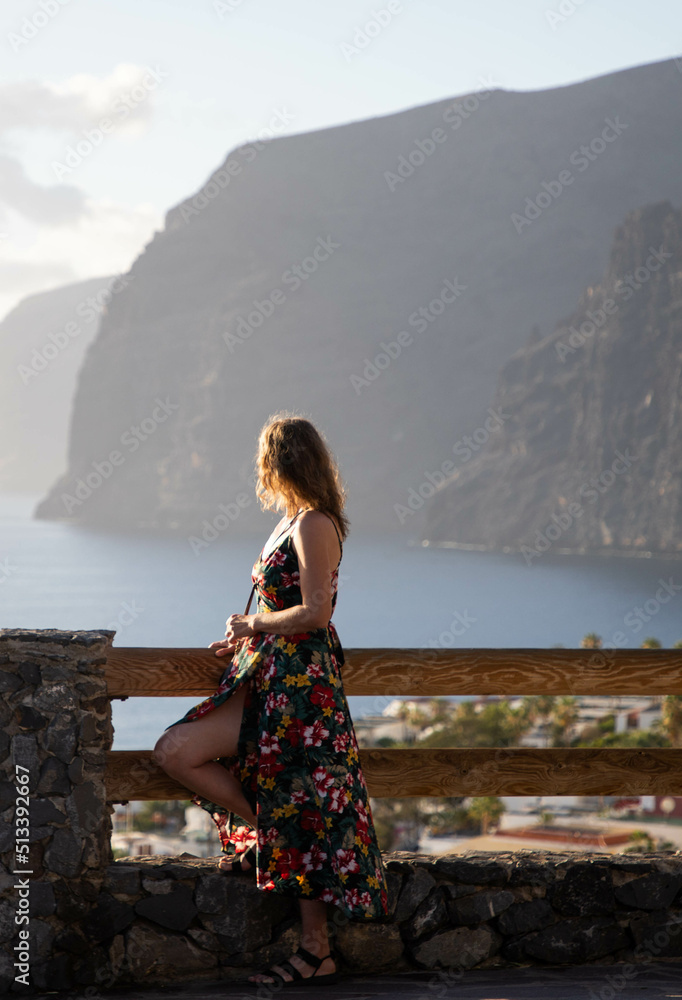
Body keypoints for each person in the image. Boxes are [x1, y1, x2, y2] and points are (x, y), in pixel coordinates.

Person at [154, 412, 388, 987]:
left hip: (302, 692)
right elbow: (285, 606)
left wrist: (254, 623)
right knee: (179, 752)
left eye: (266, 460)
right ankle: (272, 835)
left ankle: (316, 950)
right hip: (270, 680)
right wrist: (243, 635)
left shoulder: (313, 524)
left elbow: (315, 612)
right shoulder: (288, 521)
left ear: (280, 462)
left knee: (288, 800)